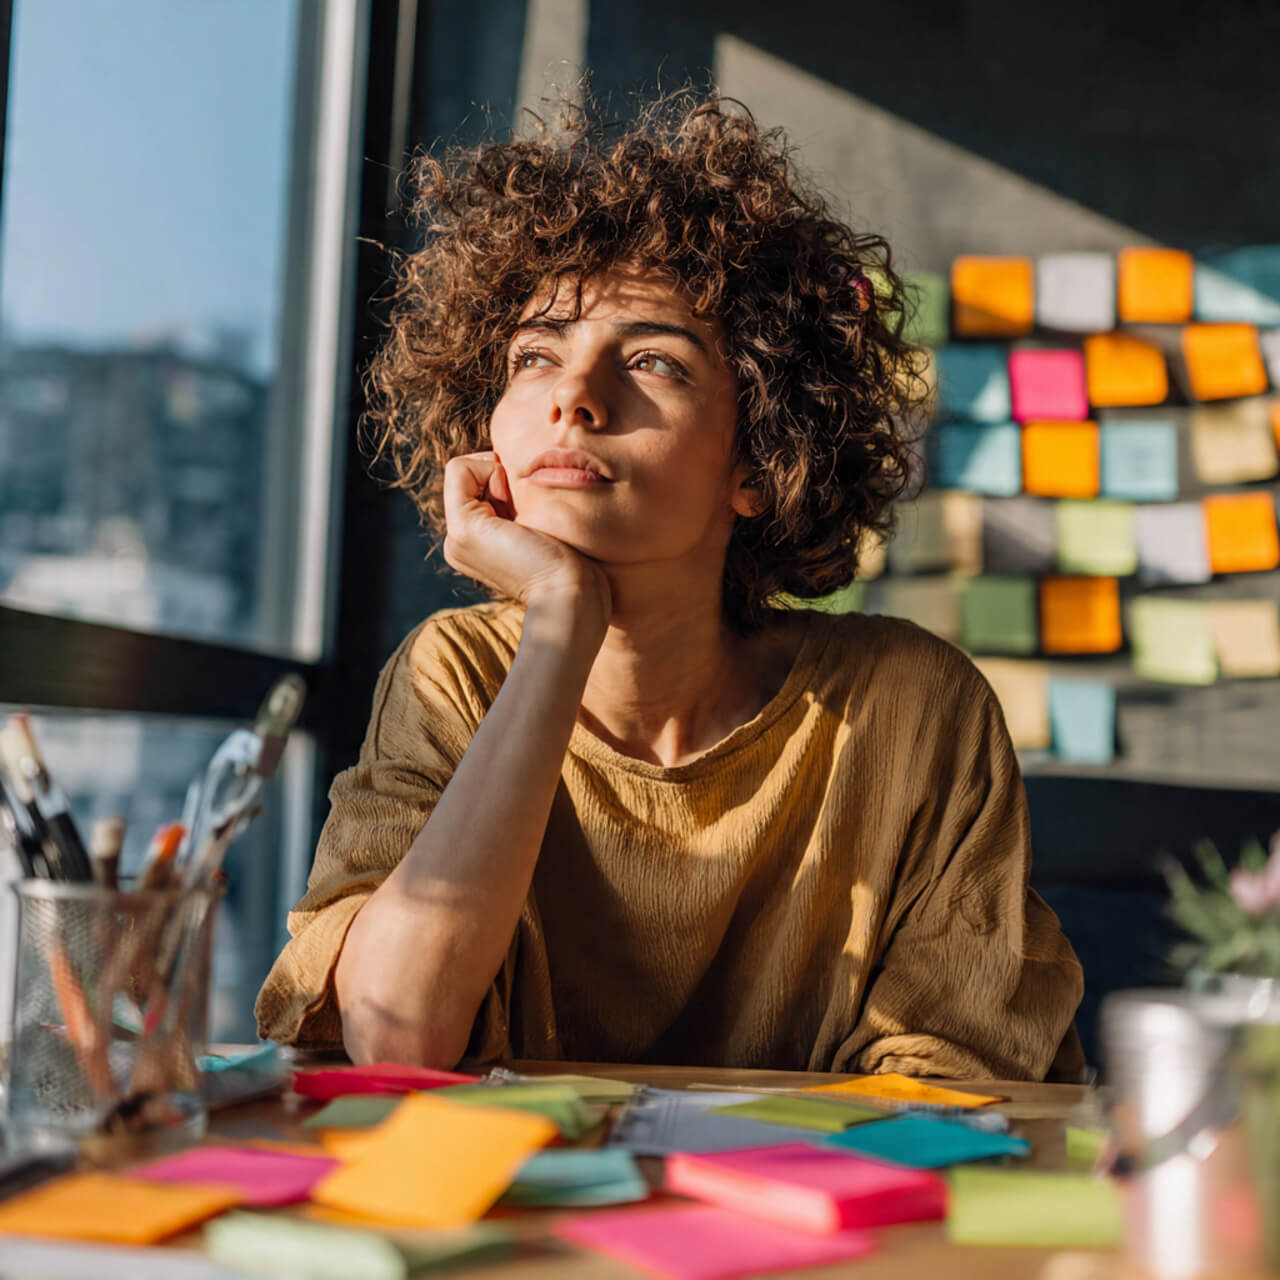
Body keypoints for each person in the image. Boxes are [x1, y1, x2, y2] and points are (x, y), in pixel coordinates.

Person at [255, 91, 1084, 1079]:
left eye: (650, 358)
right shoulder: (450, 677)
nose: (574, 394)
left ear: (758, 461)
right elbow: (398, 1033)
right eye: (534, 356)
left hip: (807, 1226)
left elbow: (945, 1085)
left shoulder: (911, 707)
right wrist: (560, 620)